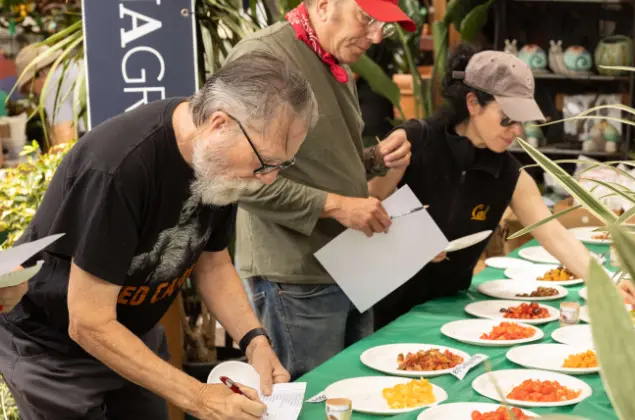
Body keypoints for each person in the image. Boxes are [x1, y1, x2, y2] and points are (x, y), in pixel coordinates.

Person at [0, 50, 318, 420]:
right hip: (55, 347)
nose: (268, 178)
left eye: (281, 164)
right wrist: (199, 397)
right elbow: (87, 321)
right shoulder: (119, 168)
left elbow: (212, 263)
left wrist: (254, 341)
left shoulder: (219, 161)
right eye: (265, 162)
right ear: (219, 124)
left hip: (131, 335)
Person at [369, 45, 635, 329]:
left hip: (447, 311)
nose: (517, 130)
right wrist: (408, 236)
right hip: (380, 308)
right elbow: (364, 207)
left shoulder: (508, 173)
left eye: (521, 120)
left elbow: (554, 234)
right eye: (507, 118)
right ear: (473, 104)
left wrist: (607, 282)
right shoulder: (414, 142)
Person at [225, 0, 415, 380]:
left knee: (351, 395)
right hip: (296, 277)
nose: (376, 36)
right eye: (367, 19)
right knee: (309, 401)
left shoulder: (332, 57)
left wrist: (375, 158)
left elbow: (316, 161)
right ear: (325, 5)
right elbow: (236, 177)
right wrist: (336, 206)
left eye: (385, 28)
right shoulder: (265, 57)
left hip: (348, 264)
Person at [15, 44, 87, 145]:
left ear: (40, 74)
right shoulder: (79, 65)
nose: (36, 95)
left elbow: (65, 143)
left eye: (31, 89)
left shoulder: (54, 84)